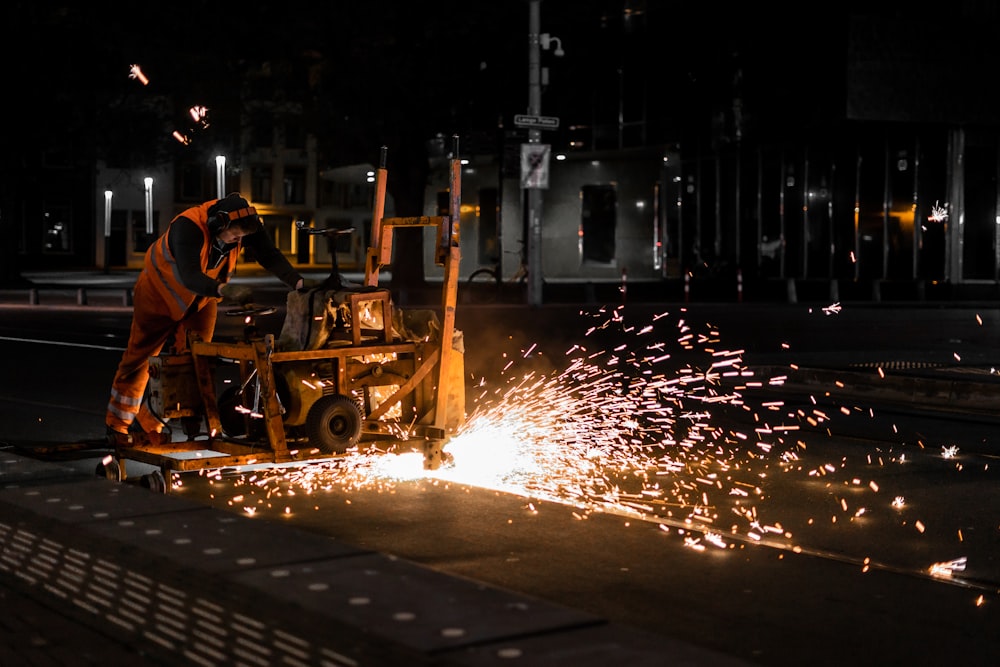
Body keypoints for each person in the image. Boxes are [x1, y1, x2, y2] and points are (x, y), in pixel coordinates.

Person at [105, 193, 312, 447]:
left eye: (242, 238)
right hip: (157, 296)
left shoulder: (244, 223)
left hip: (201, 301)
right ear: (218, 225)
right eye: (235, 236)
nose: (239, 241)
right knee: (138, 361)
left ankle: (150, 424)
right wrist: (223, 290)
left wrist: (299, 282)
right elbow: (191, 275)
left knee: (197, 360)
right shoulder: (187, 227)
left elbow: (269, 255)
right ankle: (117, 425)